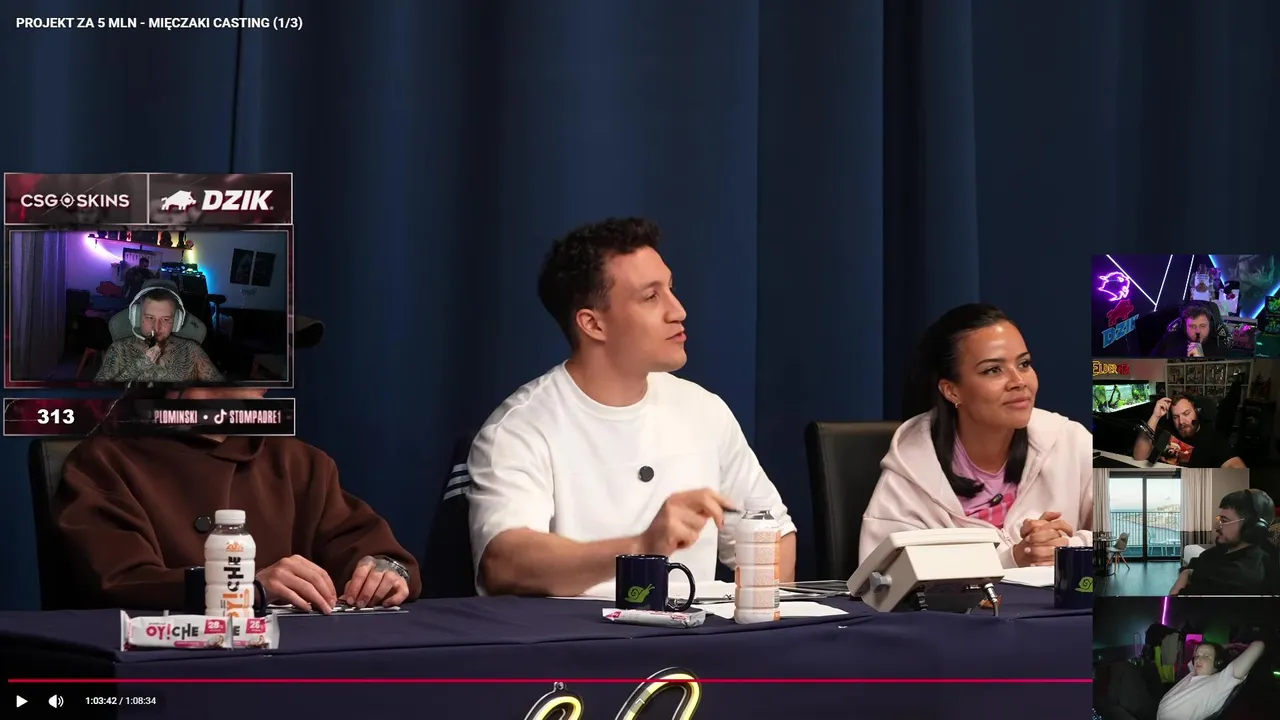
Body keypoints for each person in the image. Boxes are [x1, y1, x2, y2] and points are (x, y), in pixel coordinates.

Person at [467, 218, 796, 598]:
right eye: (651, 297)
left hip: (698, 633)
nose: (678, 311)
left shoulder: (704, 411)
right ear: (593, 324)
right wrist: (641, 547)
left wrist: (759, 614)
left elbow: (774, 533)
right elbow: (505, 562)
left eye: (671, 289)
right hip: (575, 634)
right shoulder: (519, 429)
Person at [55, 318, 422, 612]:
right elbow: (118, 580)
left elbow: (372, 550)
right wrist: (243, 587)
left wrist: (384, 571)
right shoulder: (103, 462)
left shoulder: (301, 462)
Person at [860, 304, 1094, 569]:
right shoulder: (911, 474)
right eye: (993, 370)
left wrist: (1068, 549)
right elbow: (884, 580)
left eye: (1024, 364)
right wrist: (1011, 560)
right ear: (952, 391)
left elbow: (1131, 534)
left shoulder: (1068, 442)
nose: (1019, 381)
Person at [95, 282, 223, 383]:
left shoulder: (192, 350)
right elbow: (99, 397)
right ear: (137, 316)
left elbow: (222, 392)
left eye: (166, 319)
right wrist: (139, 365)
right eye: (150, 318)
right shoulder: (119, 349)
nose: (156, 327)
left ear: (176, 321)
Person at [1171, 489, 1278, 596]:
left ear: (1252, 528)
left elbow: (1177, 601)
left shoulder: (1239, 575)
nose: (1216, 526)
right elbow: (1194, 563)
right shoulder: (1225, 549)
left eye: (1224, 520)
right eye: (1219, 519)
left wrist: (1185, 575)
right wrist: (1186, 572)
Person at [1156, 640, 1266, 720]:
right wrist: (1225, 647)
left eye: (1206, 656)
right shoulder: (1193, 671)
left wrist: (1236, 645)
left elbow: (1258, 645)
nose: (1198, 659)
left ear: (1217, 662)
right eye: (1197, 656)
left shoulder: (1220, 682)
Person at [1132, 395, 1245, 469]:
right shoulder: (1167, 428)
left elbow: (1235, 465)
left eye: (1186, 414)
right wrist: (1155, 416)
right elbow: (1139, 456)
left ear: (1197, 411)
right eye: (1176, 417)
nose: (1181, 421)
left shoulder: (1212, 436)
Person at [1149, 302, 1226, 358]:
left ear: (1210, 326)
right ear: (1184, 327)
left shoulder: (1220, 348)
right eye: (1192, 326)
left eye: (1202, 326)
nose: (1197, 331)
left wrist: (1202, 361)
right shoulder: (1169, 340)